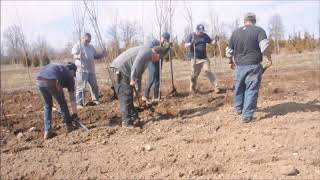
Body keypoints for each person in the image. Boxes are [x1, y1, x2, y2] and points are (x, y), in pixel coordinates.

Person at [226, 12, 272, 123]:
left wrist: (230, 62)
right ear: (254, 21)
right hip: (253, 65)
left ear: (244, 21)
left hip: (239, 65)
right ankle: (246, 116)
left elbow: (229, 51)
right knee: (251, 89)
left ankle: (238, 109)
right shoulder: (259, 31)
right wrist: (269, 59)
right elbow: (264, 46)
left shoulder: (235, 33)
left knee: (239, 87)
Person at [110, 46, 164, 128]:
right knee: (126, 97)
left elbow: (139, 73)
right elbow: (136, 64)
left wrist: (138, 89)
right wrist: (133, 78)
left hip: (123, 71)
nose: (157, 60)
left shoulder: (148, 56)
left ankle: (133, 117)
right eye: (159, 58)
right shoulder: (146, 52)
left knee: (129, 96)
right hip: (120, 70)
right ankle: (126, 122)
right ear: (157, 54)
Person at [36, 63, 79, 139]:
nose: (73, 76)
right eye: (74, 74)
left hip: (39, 80)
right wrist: (75, 114)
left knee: (47, 105)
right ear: (72, 71)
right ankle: (69, 126)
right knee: (62, 103)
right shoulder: (69, 75)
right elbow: (72, 97)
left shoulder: (61, 69)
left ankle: (47, 130)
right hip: (51, 80)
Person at [184, 24, 220, 95]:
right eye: (200, 31)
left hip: (204, 58)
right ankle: (192, 90)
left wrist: (215, 40)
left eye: (202, 31)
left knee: (208, 71)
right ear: (197, 30)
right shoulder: (191, 35)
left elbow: (211, 42)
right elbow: (185, 45)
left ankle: (216, 87)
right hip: (195, 59)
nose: (201, 33)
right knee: (194, 75)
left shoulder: (205, 36)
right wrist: (191, 43)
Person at [71, 33, 104, 108]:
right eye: (86, 41)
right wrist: (79, 56)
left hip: (91, 70)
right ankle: (79, 103)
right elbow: (74, 56)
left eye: (89, 41)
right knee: (81, 87)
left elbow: (95, 56)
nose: (88, 42)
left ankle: (95, 100)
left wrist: (102, 55)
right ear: (82, 38)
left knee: (94, 86)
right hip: (82, 70)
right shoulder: (77, 45)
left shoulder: (91, 47)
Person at [143, 32, 171, 103]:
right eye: (164, 39)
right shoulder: (154, 42)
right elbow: (148, 51)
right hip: (152, 62)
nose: (165, 41)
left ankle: (155, 97)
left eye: (166, 40)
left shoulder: (162, 45)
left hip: (159, 63)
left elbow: (163, 54)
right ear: (161, 37)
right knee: (152, 78)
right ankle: (145, 96)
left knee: (158, 79)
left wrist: (168, 48)